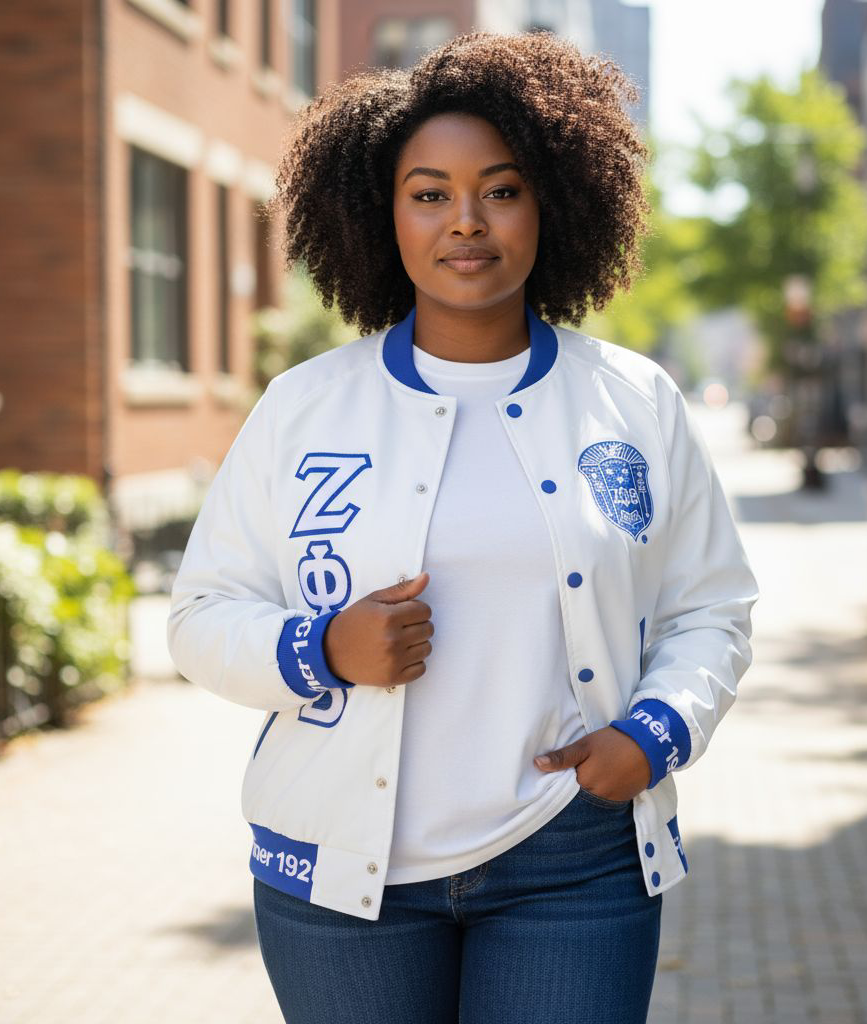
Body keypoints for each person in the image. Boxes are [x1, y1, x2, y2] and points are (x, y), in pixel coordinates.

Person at [167, 29, 759, 1024]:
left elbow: (711, 605)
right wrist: (323, 648)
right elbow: (199, 618)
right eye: (429, 193)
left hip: (574, 860)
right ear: (382, 214)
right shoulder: (304, 408)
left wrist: (655, 732)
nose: (467, 221)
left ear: (552, 203)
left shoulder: (633, 401)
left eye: (502, 189)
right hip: (338, 874)